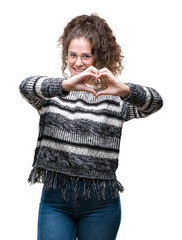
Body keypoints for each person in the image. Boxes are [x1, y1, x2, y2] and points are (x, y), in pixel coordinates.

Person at [19, 14, 163, 240]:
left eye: (86, 56)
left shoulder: (115, 98)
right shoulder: (54, 94)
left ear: (100, 56)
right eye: (72, 55)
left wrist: (125, 90)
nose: (77, 62)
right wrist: (65, 85)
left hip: (101, 205)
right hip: (56, 203)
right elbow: (25, 86)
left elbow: (155, 102)